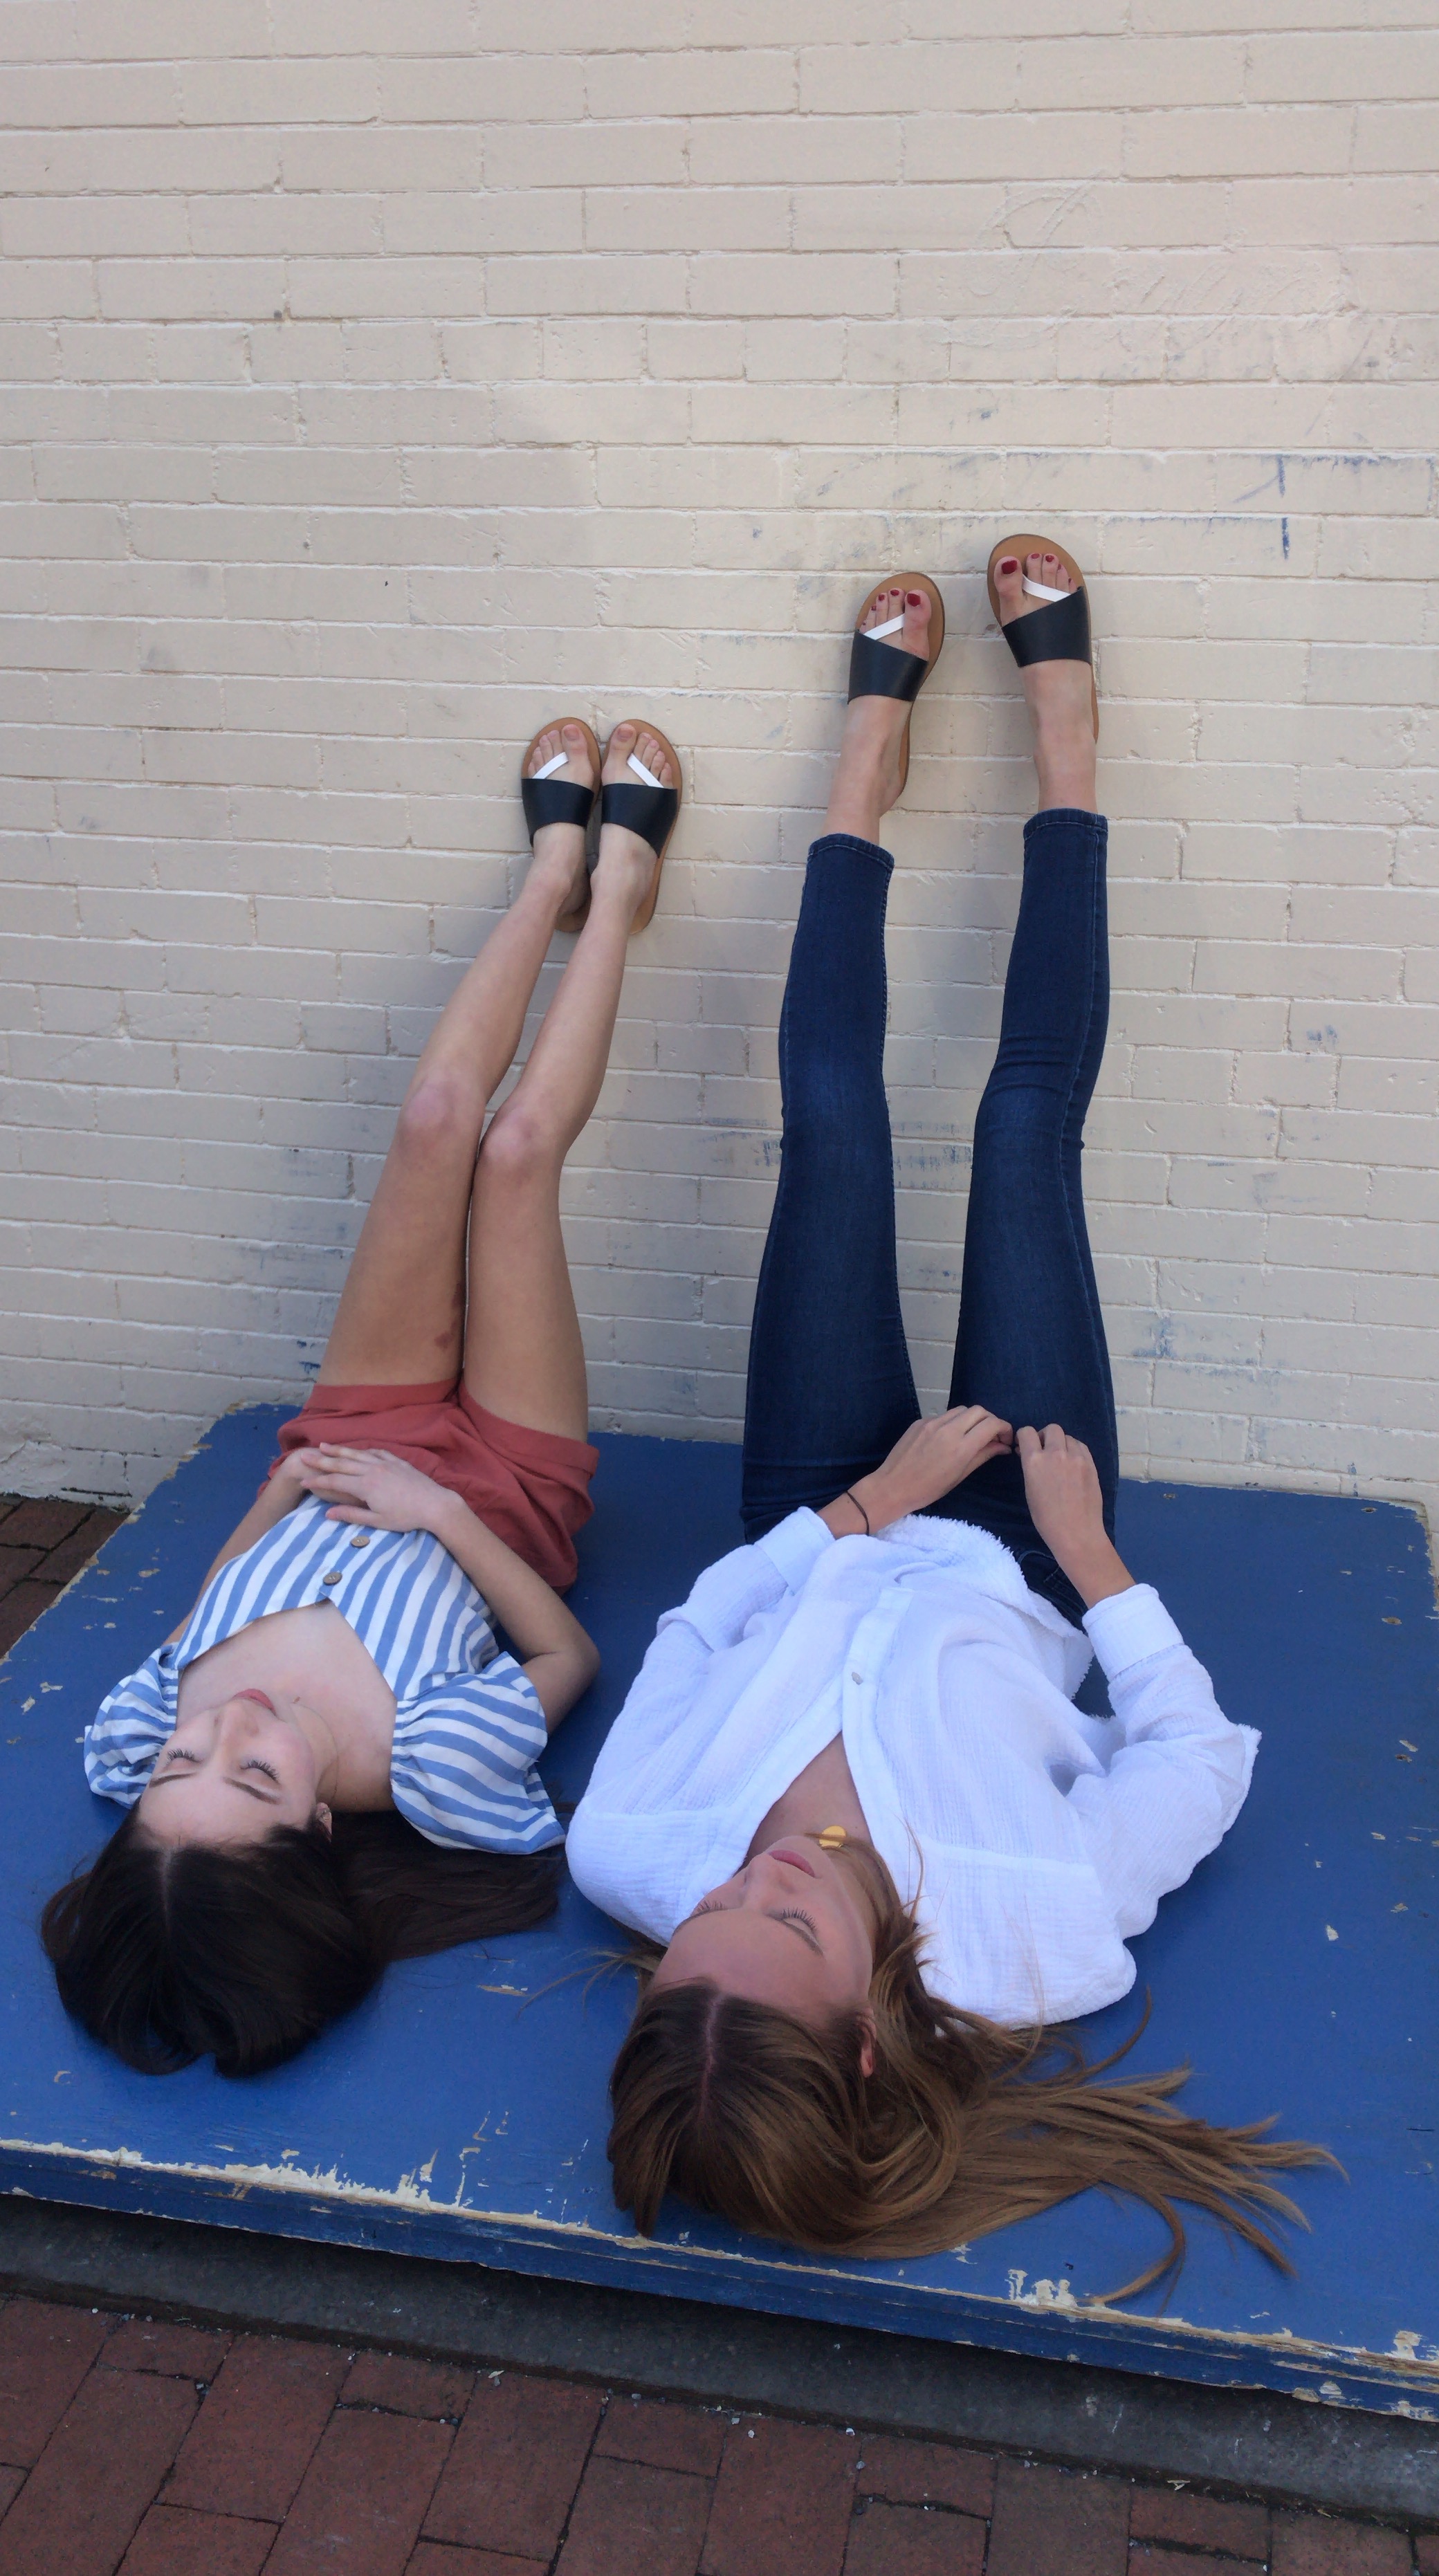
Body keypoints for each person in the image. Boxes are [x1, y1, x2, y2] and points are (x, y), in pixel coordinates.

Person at [566, 558, 1328, 2288]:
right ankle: (1066, 750)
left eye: (699, 1926)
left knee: (829, 1117)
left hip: (826, 1509)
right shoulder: (1029, 1935)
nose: (746, 1881)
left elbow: (694, 1636)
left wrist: (852, 1514)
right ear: (862, 2041)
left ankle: (862, 769)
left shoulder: (628, 1851)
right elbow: (1197, 1761)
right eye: (781, 1921)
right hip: (1016, 1539)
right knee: (1017, 1125)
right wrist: (1085, 1556)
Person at [43, 717, 682, 2078]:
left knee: (434, 1123)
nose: (226, 1731)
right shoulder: (428, 1769)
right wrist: (441, 1514)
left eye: (185, 1767)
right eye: (256, 1775)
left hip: (348, 1441)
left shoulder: (136, 1734)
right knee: (515, 1154)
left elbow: (204, 1614)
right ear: (321, 1829)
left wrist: (286, 1486)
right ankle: (622, 886)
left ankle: (550, 873)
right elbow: (566, 1659)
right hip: (500, 1487)